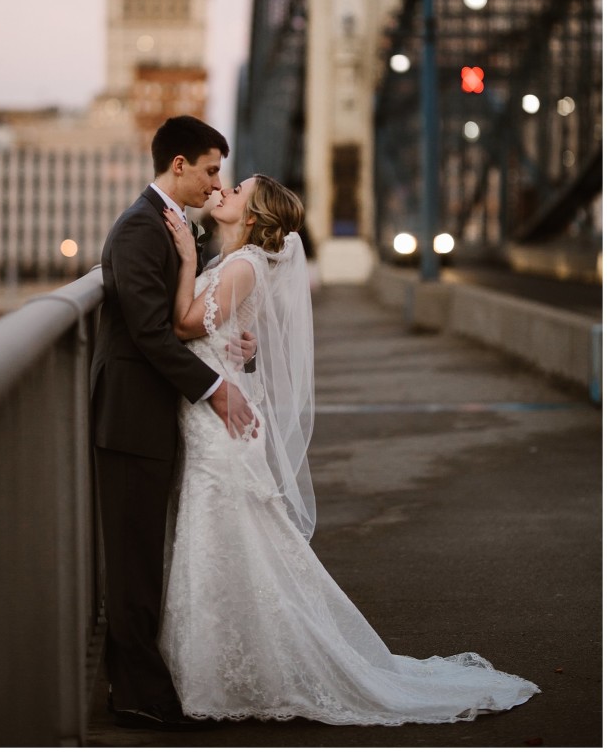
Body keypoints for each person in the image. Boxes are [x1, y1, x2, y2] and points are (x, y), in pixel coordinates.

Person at [158, 173, 541, 726]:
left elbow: (183, 323)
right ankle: (223, 668)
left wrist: (186, 262)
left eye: (237, 188)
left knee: (225, 536)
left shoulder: (241, 266)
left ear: (254, 216)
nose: (226, 190)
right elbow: (221, 332)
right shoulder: (242, 264)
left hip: (223, 421)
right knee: (228, 538)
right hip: (218, 412)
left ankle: (227, 672)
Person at [90, 116, 258, 732]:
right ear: (179, 165)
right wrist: (214, 389)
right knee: (133, 562)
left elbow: (180, 320)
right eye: (212, 169)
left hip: (149, 412)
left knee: (142, 557)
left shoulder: (170, 225)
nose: (219, 181)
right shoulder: (139, 228)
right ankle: (135, 693)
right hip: (131, 415)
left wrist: (226, 347)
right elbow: (149, 331)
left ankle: (137, 683)